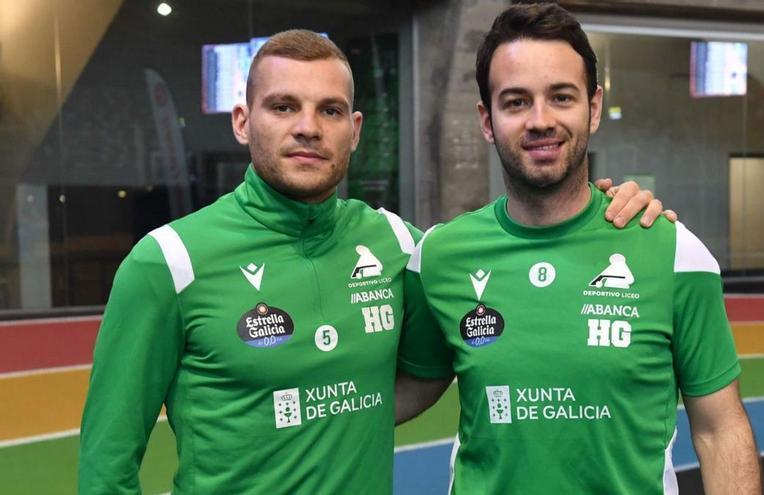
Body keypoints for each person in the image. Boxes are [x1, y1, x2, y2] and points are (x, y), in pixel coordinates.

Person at [78, 29, 667, 494]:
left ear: (355, 130)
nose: (308, 128)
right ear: (242, 121)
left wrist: (600, 211)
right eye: (283, 107)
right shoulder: (167, 262)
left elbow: (489, 282)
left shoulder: (398, 245)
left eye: (330, 111)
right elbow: (107, 467)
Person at [396, 4, 762, 494]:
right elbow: (398, 394)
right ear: (487, 120)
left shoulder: (675, 254)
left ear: (592, 108)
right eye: (516, 102)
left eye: (561, 97)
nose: (540, 120)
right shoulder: (439, 257)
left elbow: (721, 430)